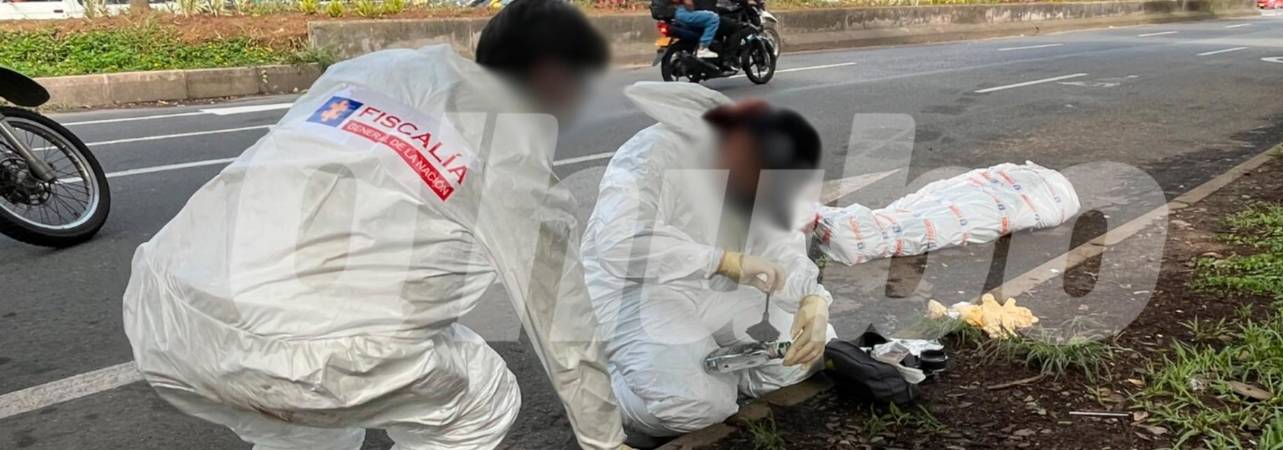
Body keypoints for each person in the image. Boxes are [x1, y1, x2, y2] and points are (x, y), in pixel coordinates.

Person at [122, 1, 630, 449]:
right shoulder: (517, 163)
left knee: (312, 430)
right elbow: (565, 328)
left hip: (163, 315)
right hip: (299, 353)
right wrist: (604, 441)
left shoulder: (372, 69)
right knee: (478, 398)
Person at [581, 82, 835, 439]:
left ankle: (705, 366)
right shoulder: (650, 154)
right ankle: (606, 384)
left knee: (801, 357)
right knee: (696, 408)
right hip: (633, 291)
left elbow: (781, 245)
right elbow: (621, 242)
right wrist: (725, 261)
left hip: (708, 287)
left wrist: (812, 299)